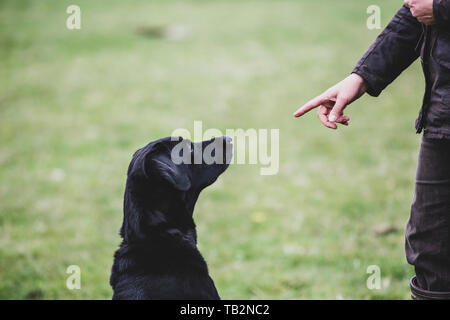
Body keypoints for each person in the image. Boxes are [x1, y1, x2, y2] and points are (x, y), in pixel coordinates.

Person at [293, 0, 450, 299]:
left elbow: (432, 9)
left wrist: (442, 10)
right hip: (444, 115)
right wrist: (362, 76)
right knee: (432, 249)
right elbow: (417, 10)